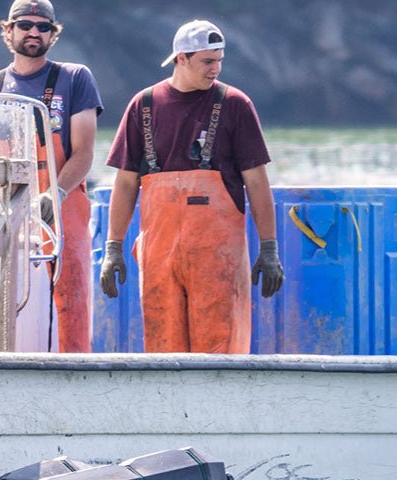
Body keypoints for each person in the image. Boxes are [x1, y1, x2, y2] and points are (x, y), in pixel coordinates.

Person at [100, 19, 283, 353]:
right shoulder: (143, 105)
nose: (216, 69)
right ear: (181, 58)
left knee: (221, 348)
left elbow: (256, 182)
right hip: (160, 255)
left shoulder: (235, 104)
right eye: (207, 61)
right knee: (162, 349)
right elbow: (126, 183)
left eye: (220, 60)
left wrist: (269, 248)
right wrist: (113, 248)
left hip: (217, 257)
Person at [0, 0, 103, 353]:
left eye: (43, 27)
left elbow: (85, 153)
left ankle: (74, 374)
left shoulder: (74, 78)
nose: (33, 32)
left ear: (52, 34)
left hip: (61, 210)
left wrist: (55, 196)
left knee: (70, 300)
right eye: (24, 25)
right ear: (8, 31)